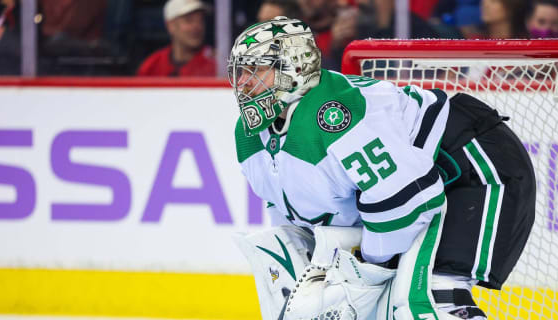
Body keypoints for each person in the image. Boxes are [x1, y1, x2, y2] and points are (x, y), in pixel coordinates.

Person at [229, 16, 536, 320]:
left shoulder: (337, 117)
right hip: (425, 184)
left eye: (256, 70)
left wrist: (368, 268)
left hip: (472, 165)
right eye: (240, 72)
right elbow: (291, 212)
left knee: (429, 298)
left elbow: (404, 197)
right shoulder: (249, 135)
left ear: (294, 67)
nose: (243, 82)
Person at [136, 0, 214, 77]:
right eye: (189, 20)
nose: (197, 26)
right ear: (171, 25)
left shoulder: (216, 63)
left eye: (201, 20)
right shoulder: (152, 66)